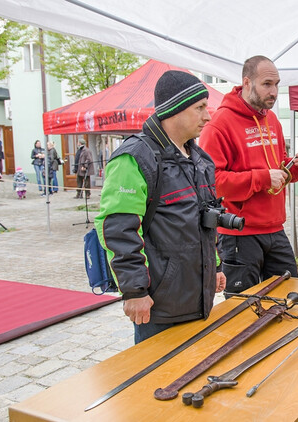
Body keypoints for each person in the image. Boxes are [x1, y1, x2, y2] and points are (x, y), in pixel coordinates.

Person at [95, 70, 225, 344]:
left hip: (198, 298)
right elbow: (118, 229)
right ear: (174, 110)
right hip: (158, 305)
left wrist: (215, 266)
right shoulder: (134, 158)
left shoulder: (200, 159)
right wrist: (134, 291)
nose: (208, 116)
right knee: (156, 382)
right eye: (199, 108)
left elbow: (206, 220)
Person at [199, 55, 298, 293]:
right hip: (239, 234)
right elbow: (212, 183)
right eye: (267, 84)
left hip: (275, 228)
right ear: (247, 83)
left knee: (291, 297)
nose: (274, 91)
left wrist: (295, 168)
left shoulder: (272, 120)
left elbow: (277, 170)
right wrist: (261, 178)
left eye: (277, 84)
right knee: (242, 311)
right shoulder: (219, 124)